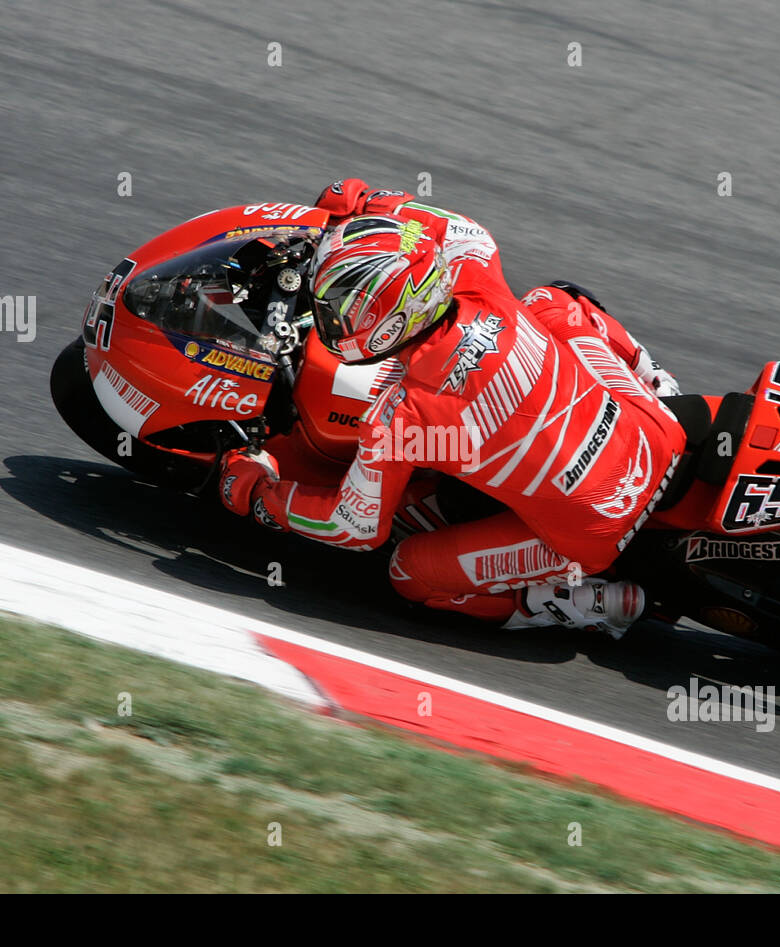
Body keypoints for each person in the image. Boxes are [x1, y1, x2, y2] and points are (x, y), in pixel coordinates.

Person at [218, 179, 684, 637]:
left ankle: (564, 602)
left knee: (409, 572)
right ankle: (656, 380)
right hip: (659, 433)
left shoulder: (399, 418)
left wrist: (262, 494)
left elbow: (355, 526)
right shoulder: (480, 285)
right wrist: (376, 205)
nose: (330, 319)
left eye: (340, 309)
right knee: (550, 301)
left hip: (596, 529)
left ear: (389, 319)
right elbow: (465, 231)